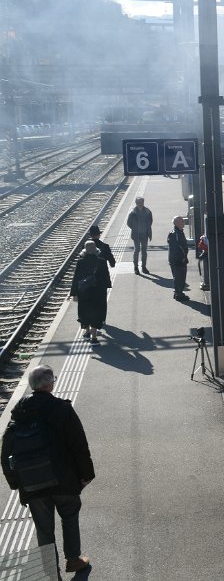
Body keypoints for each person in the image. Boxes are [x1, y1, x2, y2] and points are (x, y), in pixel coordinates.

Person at [2, 365, 94, 575]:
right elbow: (79, 444)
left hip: (33, 483)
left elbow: (6, 449)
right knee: (69, 517)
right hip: (64, 478)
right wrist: (87, 475)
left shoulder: (18, 413)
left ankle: (51, 573)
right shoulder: (61, 408)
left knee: (44, 529)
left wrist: (15, 482)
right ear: (49, 384)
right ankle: (73, 560)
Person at [69, 241, 112, 344]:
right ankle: (94, 338)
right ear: (96, 250)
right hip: (98, 293)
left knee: (85, 312)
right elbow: (106, 278)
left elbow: (76, 278)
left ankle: (87, 332)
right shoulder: (101, 262)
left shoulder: (81, 262)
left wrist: (74, 293)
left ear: (85, 250)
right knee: (96, 314)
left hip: (84, 292)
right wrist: (106, 287)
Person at [125, 196, 153, 275]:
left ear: (143, 202)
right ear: (136, 203)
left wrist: (146, 229)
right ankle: (136, 267)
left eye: (141, 202)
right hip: (136, 235)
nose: (140, 204)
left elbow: (151, 221)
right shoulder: (132, 213)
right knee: (137, 250)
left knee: (144, 251)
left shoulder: (148, 212)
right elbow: (128, 223)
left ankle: (144, 267)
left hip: (144, 234)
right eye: (138, 203)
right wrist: (134, 228)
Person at [167, 216, 190, 302]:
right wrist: (182, 258)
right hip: (178, 260)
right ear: (177, 223)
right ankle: (178, 294)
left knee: (179, 277)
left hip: (177, 259)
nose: (184, 223)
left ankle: (178, 293)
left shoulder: (178, 232)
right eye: (182, 222)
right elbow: (177, 248)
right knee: (179, 277)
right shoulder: (175, 234)